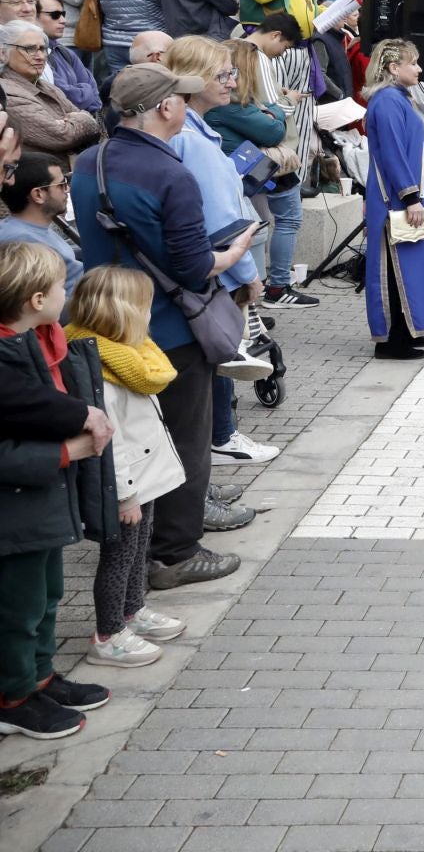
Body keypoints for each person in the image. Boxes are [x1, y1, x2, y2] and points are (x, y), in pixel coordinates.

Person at [71, 64, 256, 590]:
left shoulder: (90, 161)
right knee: (183, 440)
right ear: (164, 108)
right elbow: (195, 266)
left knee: (132, 439)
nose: (185, 106)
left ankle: (134, 544)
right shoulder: (172, 175)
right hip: (167, 328)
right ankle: (175, 552)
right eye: (180, 98)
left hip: (106, 319)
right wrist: (235, 251)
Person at [0, 239, 115, 739]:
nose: (67, 292)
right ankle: (14, 695)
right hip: (15, 511)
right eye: (59, 286)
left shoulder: (36, 338)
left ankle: (39, 676)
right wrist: (67, 453)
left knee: (47, 595)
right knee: (17, 608)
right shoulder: (8, 357)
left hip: (43, 504)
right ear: (36, 301)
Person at [162, 37, 277, 481]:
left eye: (231, 73)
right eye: (223, 75)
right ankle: (222, 438)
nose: (232, 82)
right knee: (219, 350)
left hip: (211, 264)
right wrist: (248, 276)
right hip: (219, 266)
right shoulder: (193, 141)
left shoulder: (196, 132)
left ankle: (220, 440)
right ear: (192, 81)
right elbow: (223, 220)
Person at [67, 267, 189, 669]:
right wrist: (125, 494)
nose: (150, 316)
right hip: (126, 484)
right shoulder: (103, 373)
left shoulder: (127, 357)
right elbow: (112, 443)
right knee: (119, 555)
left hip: (143, 476)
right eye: (145, 308)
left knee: (139, 548)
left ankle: (132, 611)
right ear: (122, 314)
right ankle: (108, 634)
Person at [361, 40, 424, 361]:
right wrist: (410, 196)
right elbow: (392, 153)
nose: (419, 69)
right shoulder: (388, 101)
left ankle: (406, 330)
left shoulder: (398, 98)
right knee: (393, 267)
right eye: (413, 63)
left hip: (406, 198)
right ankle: (391, 340)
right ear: (392, 68)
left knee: (408, 264)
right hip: (397, 200)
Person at [207, 39, 305, 311]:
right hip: (249, 172)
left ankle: (261, 294)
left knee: (263, 226)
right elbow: (273, 131)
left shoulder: (232, 103)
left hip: (253, 172)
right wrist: (280, 106)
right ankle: (273, 288)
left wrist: (270, 110)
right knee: (272, 225)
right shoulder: (231, 104)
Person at [0, 19, 100, 167]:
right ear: (2, 54)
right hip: (35, 183)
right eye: (29, 49)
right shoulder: (6, 92)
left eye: (42, 48)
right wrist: (84, 120)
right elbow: (61, 136)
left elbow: (89, 125)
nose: (40, 56)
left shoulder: (46, 86)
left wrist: (76, 122)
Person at [0, 151, 81, 294]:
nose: (67, 189)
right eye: (62, 184)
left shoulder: (27, 230)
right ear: (38, 195)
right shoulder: (23, 243)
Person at [35, 0, 99, 113]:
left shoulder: (64, 52)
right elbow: (67, 95)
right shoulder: (34, 55)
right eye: (55, 15)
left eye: (63, 14)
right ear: (34, 16)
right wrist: (85, 93)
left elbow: (94, 92)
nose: (63, 20)